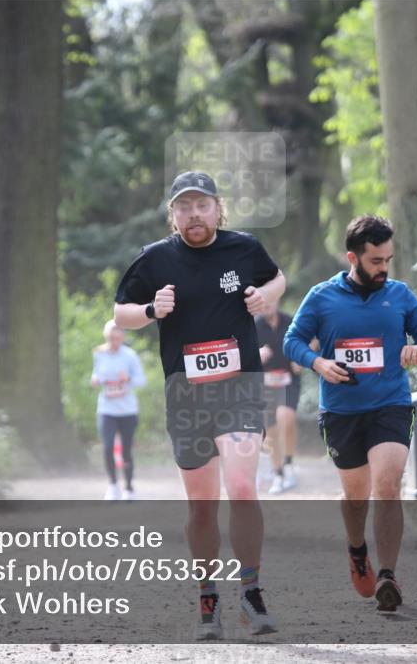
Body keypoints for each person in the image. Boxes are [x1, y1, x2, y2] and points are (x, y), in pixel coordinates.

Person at [114, 171, 285, 639]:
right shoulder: (154, 259)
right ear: (173, 214)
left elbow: (277, 279)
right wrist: (151, 310)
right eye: (184, 206)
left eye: (202, 205)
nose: (194, 214)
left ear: (217, 208)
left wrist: (264, 296)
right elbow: (120, 314)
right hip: (185, 392)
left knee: (242, 487)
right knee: (203, 506)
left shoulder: (243, 248)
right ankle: (208, 594)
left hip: (241, 386)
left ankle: (251, 591)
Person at [284, 214, 417, 612]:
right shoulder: (321, 297)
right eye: (376, 261)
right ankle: (357, 550)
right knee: (356, 495)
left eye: (388, 259)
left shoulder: (400, 295)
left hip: (390, 403)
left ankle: (388, 575)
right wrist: (318, 363)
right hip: (341, 411)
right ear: (353, 257)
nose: (384, 268)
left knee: (388, 484)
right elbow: (293, 341)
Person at [91, 320, 146, 500]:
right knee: (107, 447)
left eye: (117, 338)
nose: (114, 341)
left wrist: (128, 378)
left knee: (126, 450)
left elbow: (142, 381)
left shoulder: (130, 356)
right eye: (110, 338)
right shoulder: (99, 354)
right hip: (106, 409)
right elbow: (96, 373)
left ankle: (129, 488)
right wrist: (96, 380)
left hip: (127, 410)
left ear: (122, 337)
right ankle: (113, 485)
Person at [255, 299, 303, 493]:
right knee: (270, 429)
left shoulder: (291, 322)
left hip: (288, 380)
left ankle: (289, 463)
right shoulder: (254, 326)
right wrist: (256, 353)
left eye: (271, 300)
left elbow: (307, 341)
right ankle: (278, 473)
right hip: (264, 382)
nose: (268, 305)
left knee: (287, 417)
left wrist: (299, 357)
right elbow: (242, 355)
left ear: (277, 301)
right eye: (264, 302)